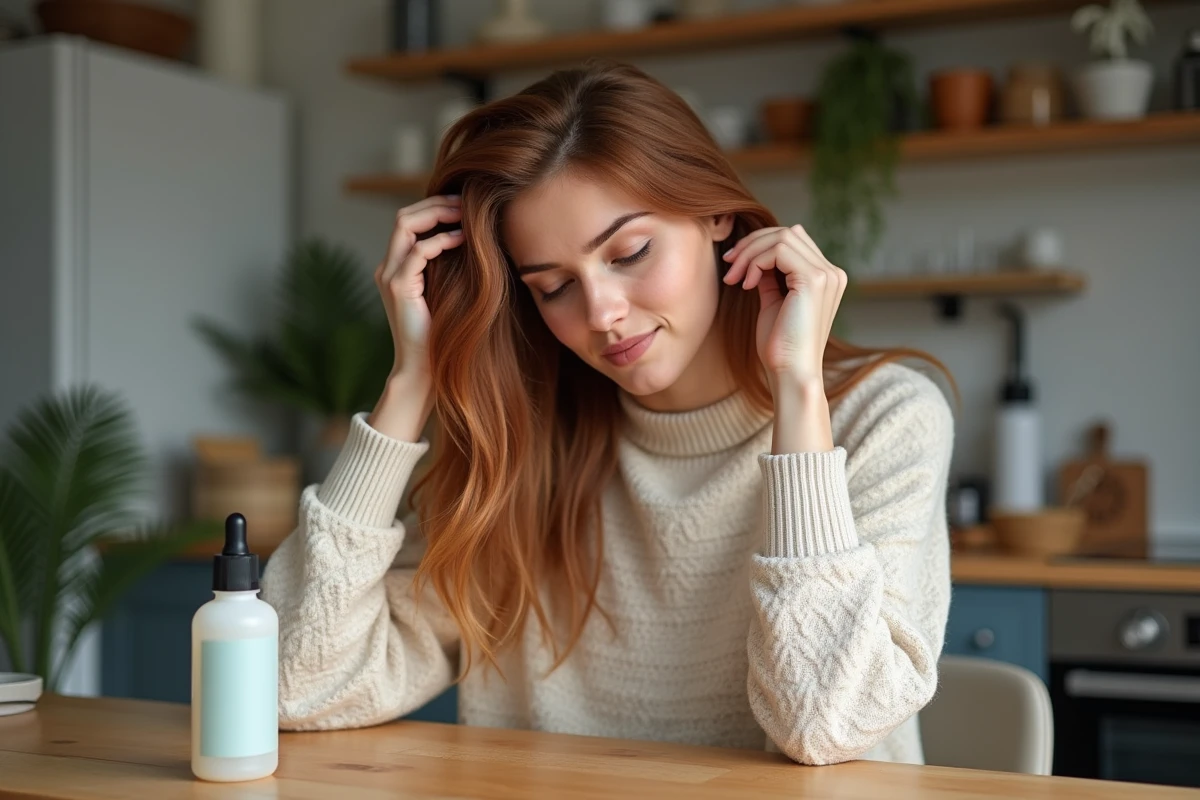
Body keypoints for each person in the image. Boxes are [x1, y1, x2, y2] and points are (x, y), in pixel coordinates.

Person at [261, 61, 956, 767]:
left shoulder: (885, 417)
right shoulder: (526, 447)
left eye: (631, 252)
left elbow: (825, 724)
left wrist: (798, 391)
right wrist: (413, 377)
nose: (601, 313)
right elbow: (293, 686)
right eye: (553, 287)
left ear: (716, 215)